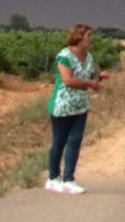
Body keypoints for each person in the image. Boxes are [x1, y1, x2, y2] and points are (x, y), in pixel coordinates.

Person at [45, 24, 105, 194]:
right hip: (62, 105)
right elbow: (68, 80)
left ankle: (69, 178)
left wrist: (97, 79)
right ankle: (53, 176)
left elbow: (87, 78)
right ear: (79, 37)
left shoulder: (89, 57)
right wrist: (90, 84)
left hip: (80, 105)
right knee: (59, 140)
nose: (90, 39)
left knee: (75, 140)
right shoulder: (64, 56)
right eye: (88, 36)